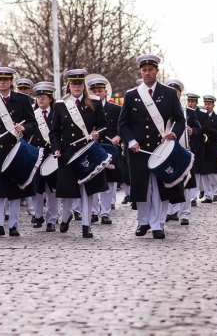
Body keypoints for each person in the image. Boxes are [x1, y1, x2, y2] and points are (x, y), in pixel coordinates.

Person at [118, 55, 186, 239]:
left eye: (150, 69)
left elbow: (180, 120)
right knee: (141, 187)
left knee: (159, 188)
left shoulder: (169, 93)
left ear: (157, 71)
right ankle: (143, 222)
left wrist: (174, 133)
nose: (147, 73)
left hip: (160, 148)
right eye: (143, 70)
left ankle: (158, 225)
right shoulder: (131, 95)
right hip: (138, 149)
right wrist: (131, 141)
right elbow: (123, 124)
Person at [49, 69, 109, 239]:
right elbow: (54, 132)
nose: (77, 86)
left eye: (79, 84)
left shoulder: (95, 103)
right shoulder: (61, 105)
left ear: (83, 85)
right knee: (68, 189)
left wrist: (98, 134)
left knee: (87, 190)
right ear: (69, 85)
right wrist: (56, 148)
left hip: (88, 151)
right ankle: (66, 215)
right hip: (68, 153)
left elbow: (104, 126)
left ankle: (86, 225)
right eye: (73, 84)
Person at [0, 66, 37, 237]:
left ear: (11, 81)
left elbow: (33, 124)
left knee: (14, 188)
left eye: (6, 79)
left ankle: (13, 225)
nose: (2, 82)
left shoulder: (23, 100)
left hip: (16, 150)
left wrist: (24, 127)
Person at [165, 78, 201, 225]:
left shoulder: (189, 112)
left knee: (186, 184)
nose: (174, 94)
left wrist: (193, 132)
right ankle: (169, 211)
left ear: (180, 93)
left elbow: (200, 129)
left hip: (184, 151)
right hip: (166, 152)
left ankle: (184, 213)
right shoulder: (161, 110)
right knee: (167, 182)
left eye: (176, 91)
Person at [88, 76, 122, 225]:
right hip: (94, 147)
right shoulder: (87, 108)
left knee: (109, 181)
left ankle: (106, 212)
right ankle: (94, 212)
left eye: (100, 91)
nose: (97, 93)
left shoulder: (115, 109)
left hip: (110, 148)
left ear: (106, 92)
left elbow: (122, 126)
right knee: (93, 179)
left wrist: (118, 137)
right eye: (94, 91)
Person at [28, 81, 59, 232]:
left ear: (50, 98)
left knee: (52, 189)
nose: (40, 99)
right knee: (37, 188)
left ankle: (52, 220)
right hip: (37, 155)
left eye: (43, 97)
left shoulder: (56, 114)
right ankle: (38, 215)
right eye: (38, 97)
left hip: (52, 155)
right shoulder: (33, 115)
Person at [200, 95, 217, 203]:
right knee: (204, 173)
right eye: (205, 104)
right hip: (202, 148)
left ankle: (215, 192)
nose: (207, 106)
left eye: (209, 104)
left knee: (212, 173)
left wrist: (209, 130)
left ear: (213, 105)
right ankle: (208, 195)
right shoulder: (200, 117)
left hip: (213, 148)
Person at [186, 92, 208, 204]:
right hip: (186, 145)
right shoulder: (184, 112)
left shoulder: (202, 114)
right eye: (189, 101)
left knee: (197, 172)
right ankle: (188, 197)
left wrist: (193, 131)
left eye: (193, 102)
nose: (190, 104)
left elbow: (204, 128)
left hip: (198, 144)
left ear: (196, 103)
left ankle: (193, 197)